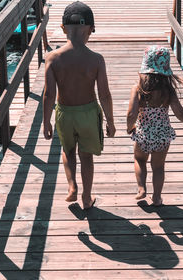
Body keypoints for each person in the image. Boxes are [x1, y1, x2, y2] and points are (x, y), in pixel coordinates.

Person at [43, 1, 116, 209]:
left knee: (68, 150)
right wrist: (110, 121)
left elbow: (49, 95)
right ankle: (86, 196)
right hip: (88, 113)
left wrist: (46, 122)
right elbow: (105, 94)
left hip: (64, 113)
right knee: (86, 155)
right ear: (90, 30)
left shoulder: (52, 58)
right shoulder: (96, 59)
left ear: (63, 28)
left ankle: (72, 186)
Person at [126, 45, 183, 206]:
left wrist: (130, 127)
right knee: (158, 167)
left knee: (139, 159)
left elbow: (131, 114)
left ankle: (141, 189)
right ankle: (157, 197)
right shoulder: (168, 90)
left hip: (144, 135)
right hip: (163, 135)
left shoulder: (139, 89)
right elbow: (179, 111)